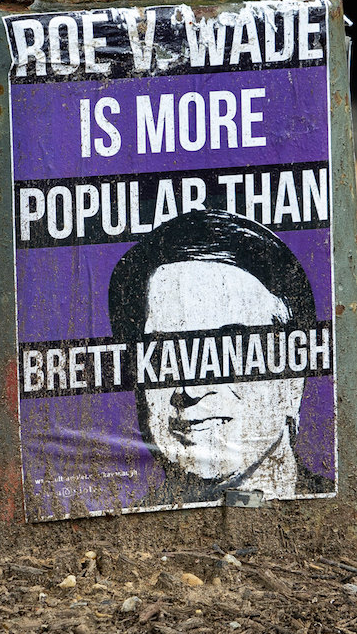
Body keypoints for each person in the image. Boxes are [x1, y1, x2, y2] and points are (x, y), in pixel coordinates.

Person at [109, 209, 331, 505]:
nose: (190, 390)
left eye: (230, 347)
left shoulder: (327, 507)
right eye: (162, 352)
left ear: (292, 383)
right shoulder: (126, 527)